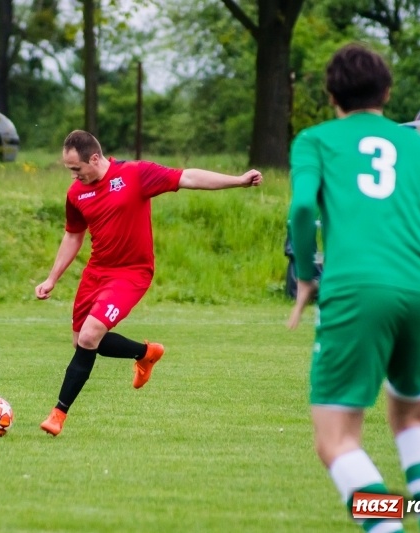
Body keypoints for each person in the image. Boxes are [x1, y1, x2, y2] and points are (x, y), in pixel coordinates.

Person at [287, 44, 420, 533]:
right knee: (412, 420)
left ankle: (386, 525)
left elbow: (302, 209)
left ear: (331, 95)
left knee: (337, 440)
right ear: (387, 92)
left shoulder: (315, 140)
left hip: (355, 290)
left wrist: (306, 275)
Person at [36, 129, 263, 436]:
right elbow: (73, 235)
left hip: (131, 273)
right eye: (69, 170)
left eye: (77, 169)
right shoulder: (76, 193)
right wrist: (52, 278)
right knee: (81, 341)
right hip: (97, 272)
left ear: (95, 158)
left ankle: (58, 415)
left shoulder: (135, 174)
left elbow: (187, 177)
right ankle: (146, 353)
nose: (74, 176)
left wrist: (238, 180)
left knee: (90, 336)